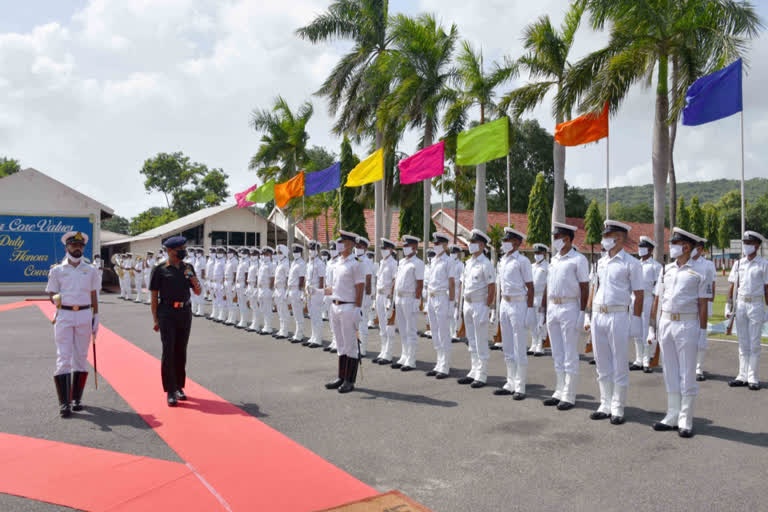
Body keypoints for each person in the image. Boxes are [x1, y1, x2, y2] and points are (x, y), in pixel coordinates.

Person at [649, 227, 709, 437]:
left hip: (687, 325)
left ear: (685, 247)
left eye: (674, 244)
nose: (671, 247)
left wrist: (702, 332)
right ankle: (672, 414)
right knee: (670, 371)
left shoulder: (700, 271)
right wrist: (652, 327)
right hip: (666, 323)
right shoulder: (665, 270)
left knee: (687, 372)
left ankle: (685, 418)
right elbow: (658, 299)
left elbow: (703, 304)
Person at [583, 220, 643, 424]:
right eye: (605, 236)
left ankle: (618, 406)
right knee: (602, 361)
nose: (605, 239)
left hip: (618, 315)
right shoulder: (600, 262)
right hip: (599, 314)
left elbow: (639, 293)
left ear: (620, 238)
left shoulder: (631, 263)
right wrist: (588, 314)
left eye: (609, 236)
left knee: (619, 362)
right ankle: (605, 403)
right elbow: (595, 287)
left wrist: (636, 319)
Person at [46, 231, 100, 418]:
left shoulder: (91, 269)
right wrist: (57, 300)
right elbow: (51, 292)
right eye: (74, 245)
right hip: (65, 315)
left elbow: (94, 294)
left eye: (80, 246)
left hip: (85, 314)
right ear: (67, 247)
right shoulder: (57, 270)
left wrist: (96, 316)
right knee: (64, 357)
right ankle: (64, 403)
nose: (77, 248)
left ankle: (77, 398)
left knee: (81, 356)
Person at [542, 222, 589, 410]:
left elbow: (584, 287)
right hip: (553, 306)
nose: (554, 241)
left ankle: (569, 394)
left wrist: (582, 312)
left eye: (557, 237)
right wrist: (543, 310)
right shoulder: (554, 260)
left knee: (569, 352)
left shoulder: (578, 260)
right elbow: (548, 285)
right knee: (557, 352)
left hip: (570, 306)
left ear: (567, 239)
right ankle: (559, 389)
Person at [149, 236, 201, 407]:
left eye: (184, 247)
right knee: (169, 351)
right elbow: (154, 296)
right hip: (167, 313)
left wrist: (194, 281)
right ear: (170, 251)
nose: (183, 250)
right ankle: (170, 390)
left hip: (185, 312)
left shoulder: (188, 268)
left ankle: (179, 386)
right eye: (180, 248)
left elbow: (198, 292)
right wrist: (156, 319)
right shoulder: (160, 269)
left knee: (181, 350)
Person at [494, 227, 535, 399]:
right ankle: (510, 381)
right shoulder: (502, 260)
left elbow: (530, 287)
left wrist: (530, 309)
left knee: (519, 345)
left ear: (517, 243)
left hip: (518, 303)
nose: (505, 243)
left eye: (508, 240)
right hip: (505, 302)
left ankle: (520, 385)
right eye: (504, 240)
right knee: (508, 345)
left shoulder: (522, 261)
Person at [726, 230, 768, 391]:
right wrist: (728, 305)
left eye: (749, 243)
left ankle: (753, 377)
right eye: (745, 243)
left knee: (754, 343)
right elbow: (733, 285)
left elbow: (767, 289)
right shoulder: (738, 264)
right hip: (741, 304)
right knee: (742, 342)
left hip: (756, 305)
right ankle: (741, 375)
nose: (746, 246)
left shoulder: (764, 264)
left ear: (757, 245)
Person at [324, 231, 365, 393]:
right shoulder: (338, 263)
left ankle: (350, 380)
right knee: (340, 344)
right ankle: (341, 376)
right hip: (335, 305)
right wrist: (317, 291)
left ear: (350, 244)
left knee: (350, 346)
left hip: (349, 307)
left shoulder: (356, 263)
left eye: (342, 241)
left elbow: (360, 288)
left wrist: (357, 308)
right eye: (338, 241)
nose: (339, 244)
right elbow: (333, 288)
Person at [457, 229, 496, 388]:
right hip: (468, 303)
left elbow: (492, 287)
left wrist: (487, 307)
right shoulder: (469, 263)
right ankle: (474, 369)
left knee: (480, 340)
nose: (470, 245)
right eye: (470, 242)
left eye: (473, 243)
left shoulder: (486, 264)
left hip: (480, 304)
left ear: (481, 245)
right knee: (471, 340)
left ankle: (482, 373)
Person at [426, 233, 456, 380]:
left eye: (438, 244)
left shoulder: (448, 261)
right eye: (434, 244)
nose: (435, 246)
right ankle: (438, 362)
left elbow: (451, 283)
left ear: (445, 246)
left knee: (444, 333)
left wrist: (452, 303)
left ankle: (445, 365)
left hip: (442, 298)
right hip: (432, 298)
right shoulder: (434, 260)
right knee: (435, 332)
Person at [392, 235, 424, 372]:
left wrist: (417, 300)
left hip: (410, 298)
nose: (404, 248)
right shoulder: (402, 262)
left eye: (407, 246)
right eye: (404, 246)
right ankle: (404, 355)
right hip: (399, 298)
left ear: (414, 247)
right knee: (403, 329)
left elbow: (420, 284)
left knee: (411, 329)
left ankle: (411, 358)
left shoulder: (418, 263)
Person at [635, 237, 663, 373]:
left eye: (643, 247)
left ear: (650, 249)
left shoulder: (656, 266)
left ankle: (647, 360)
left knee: (647, 331)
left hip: (647, 299)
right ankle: (638, 359)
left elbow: (659, 287)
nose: (640, 249)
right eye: (639, 247)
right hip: (635, 299)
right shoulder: (635, 264)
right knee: (636, 330)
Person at [690, 237, 716, 381]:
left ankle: (698, 368)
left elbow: (712, 285)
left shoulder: (707, 265)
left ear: (700, 249)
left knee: (701, 336)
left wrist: (710, 304)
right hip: (688, 306)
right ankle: (689, 366)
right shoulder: (685, 262)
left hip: (702, 303)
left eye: (697, 248)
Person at [374, 238, 398, 365]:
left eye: (385, 248)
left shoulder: (393, 263)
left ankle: (388, 353)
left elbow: (394, 281)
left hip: (387, 297)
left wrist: (391, 298)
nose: (382, 251)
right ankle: (383, 351)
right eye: (381, 249)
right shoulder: (381, 262)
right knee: (382, 326)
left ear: (391, 249)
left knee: (389, 326)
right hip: (379, 295)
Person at [528, 244, 549, 356]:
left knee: (540, 322)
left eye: (539, 253)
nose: (537, 255)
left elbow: (548, 284)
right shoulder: (531, 267)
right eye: (535, 253)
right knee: (532, 322)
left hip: (541, 296)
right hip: (531, 296)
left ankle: (540, 344)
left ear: (544, 254)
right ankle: (533, 342)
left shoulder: (547, 267)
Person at [354, 237, 374, 354]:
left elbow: (368, 279)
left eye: (359, 247)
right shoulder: (354, 259)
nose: (357, 248)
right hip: (354, 295)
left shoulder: (366, 261)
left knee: (362, 322)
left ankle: (363, 348)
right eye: (356, 246)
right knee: (355, 322)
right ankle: (356, 347)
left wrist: (367, 298)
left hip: (362, 297)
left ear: (365, 248)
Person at [304, 241, 326, 348]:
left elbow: (322, 280)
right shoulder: (309, 263)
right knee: (312, 315)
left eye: (313, 249)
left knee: (317, 315)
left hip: (316, 291)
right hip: (309, 292)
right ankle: (313, 336)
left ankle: (318, 339)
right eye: (310, 249)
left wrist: (320, 293)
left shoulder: (320, 263)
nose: (311, 251)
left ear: (317, 251)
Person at [288, 243, 307, 342]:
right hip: (291, 289)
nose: (295, 253)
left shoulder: (301, 263)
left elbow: (302, 278)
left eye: (297, 252)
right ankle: (298, 332)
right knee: (295, 313)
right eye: (294, 252)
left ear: (301, 253)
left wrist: (301, 292)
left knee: (298, 313)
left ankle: (300, 334)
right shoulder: (293, 263)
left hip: (297, 290)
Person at [324, 244, 341, 353]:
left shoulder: (339, 261)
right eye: (331, 249)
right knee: (331, 318)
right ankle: (333, 340)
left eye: (334, 249)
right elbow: (326, 279)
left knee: (337, 319)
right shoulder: (329, 262)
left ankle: (338, 342)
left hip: (336, 292)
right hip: (329, 292)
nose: (332, 251)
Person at [257, 247, 276, 335]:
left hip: (267, 288)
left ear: (270, 255)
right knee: (263, 308)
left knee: (268, 309)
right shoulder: (262, 265)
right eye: (264, 255)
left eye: (267, 255)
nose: (265, 256)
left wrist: (270, 289)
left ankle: (269, 327)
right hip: (261, 289)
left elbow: (273, 278)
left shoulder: (271, 265)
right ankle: (265, 326)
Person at [449, 244, 465, 342]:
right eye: (451, 252)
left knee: (456, 314)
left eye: (454, 252)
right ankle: (450, 332)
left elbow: (461, 281)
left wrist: (459, 297)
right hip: (448, 290)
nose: (452, 254)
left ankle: (455, 332)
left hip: (457, 290)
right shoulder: (448, 263)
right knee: (449, 313)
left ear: (458, 254)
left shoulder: (460, 265)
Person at [246, 247, 262, 332]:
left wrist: (256, 289)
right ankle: (254, 323)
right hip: (250, 286)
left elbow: (257, 277)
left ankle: (256, 324)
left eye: (254, 254)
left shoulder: (258, 264)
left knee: (255, 306)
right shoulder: (251, 264)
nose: (252, 256)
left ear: (258, 255)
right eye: (251, 254)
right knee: (252, 306)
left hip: (254, 286)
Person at [223, 247, 238, 325]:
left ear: (234, 253)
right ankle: (229, 317)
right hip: (226, 282)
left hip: (231, 283)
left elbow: (235, 274)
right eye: (228, 253)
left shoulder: (235, 262)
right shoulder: (228, 261)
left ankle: (233, 319)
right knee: (229, 301)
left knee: (233, 302)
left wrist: (234, 285)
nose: (228, 254)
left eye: (230, 252)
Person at [211, 247, 227, 322]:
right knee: (216, 300)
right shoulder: (216, 261)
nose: (218, 254)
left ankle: (222, 316)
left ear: (223, 253)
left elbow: (225, 273)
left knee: (222, 301)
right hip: (215, 283)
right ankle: (217, 314)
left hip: (220, 283)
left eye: (220, 252)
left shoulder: (224, 262)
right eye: (217, 252)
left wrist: (223, 285)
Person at [367, 251, 378, 328]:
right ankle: (367, 319)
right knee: (365, 304)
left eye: (371, 256)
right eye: (368, 256)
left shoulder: (375, 265)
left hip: (372, 286)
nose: (369, 258)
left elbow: (377, 277)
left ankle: (371, 321)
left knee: (371, 304)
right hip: (364, 286)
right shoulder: (363, 263)